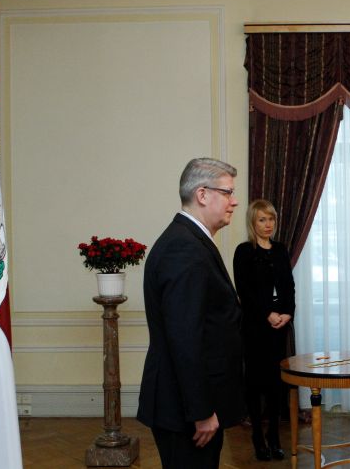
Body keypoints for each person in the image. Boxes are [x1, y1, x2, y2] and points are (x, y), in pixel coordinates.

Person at [137, 157, 244, 468]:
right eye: (228, 192)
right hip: (186, 411)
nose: (234, 201)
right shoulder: (184, 248)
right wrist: (201, 411)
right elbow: (185, 339)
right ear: (202, 194)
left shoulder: (190, 240)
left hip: (190, 404)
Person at [233, 199, 295, 462]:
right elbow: (244, 291)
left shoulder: (280, 250)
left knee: (276, 384)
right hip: (255, 326)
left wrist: (287, 313)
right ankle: (258, 436)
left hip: (279, 325)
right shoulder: (244, 251)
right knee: (255, 383)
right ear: (252, 222)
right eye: (262, 219)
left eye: (271, 219)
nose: (268, 224)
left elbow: (289, 286)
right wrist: (267, 313)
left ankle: (274, 437)